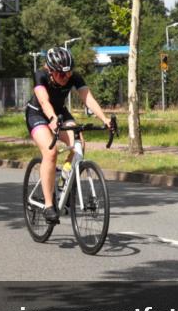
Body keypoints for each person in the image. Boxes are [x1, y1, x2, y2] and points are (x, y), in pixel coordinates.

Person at [25, 46, 113, 223]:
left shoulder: (72, 76)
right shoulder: (40, 75)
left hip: (60, 113)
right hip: (38, 114)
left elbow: (87, 98)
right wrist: (51, 119)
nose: (66, 78)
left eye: (68, 73)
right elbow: (43, 100)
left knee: (78, 144)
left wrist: (105, 119)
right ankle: (49, 205)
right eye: (61, 74)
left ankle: (64, 179)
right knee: (51, 153)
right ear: (50, 71)